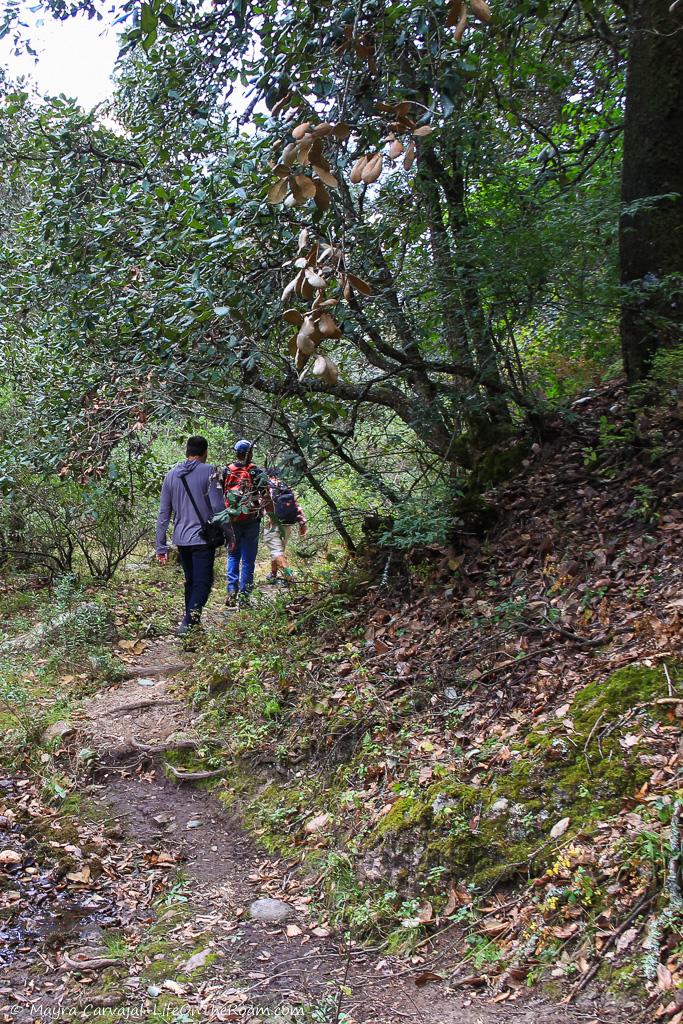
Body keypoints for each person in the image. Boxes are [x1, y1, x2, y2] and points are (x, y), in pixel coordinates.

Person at [155, 435, 231, 636]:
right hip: (202, 538)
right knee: (203, 582)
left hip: (181, 539)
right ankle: (188, 622)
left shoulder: (171, 475)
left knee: (191, 581)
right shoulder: (211, 472)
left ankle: (193, 625)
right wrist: (230, 534)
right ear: (205, 452)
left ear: (186, 452)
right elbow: (217, 507)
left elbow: (164, 513)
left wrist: (160, 546)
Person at [222, 439, 270, 607]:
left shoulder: (227, 470)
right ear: (250, 453)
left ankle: (231, 591)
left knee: (233, 555)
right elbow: (266, 496)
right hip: (252, 519)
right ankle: (244, 598)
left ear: (236, 453)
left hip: (232, 519)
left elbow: (221, 495)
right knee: (249, 560)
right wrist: (271, 515)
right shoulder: (257, 472)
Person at [263, 467, 307, 584]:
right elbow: (297, 506)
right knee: (278, 551)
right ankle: (273, 574)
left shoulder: (267, 486)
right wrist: (302, 523)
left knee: (276, 552)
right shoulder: (286, 487)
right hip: (287, 525)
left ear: (268, 475)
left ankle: (290, 577)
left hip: (272, 524)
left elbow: (262, 505)